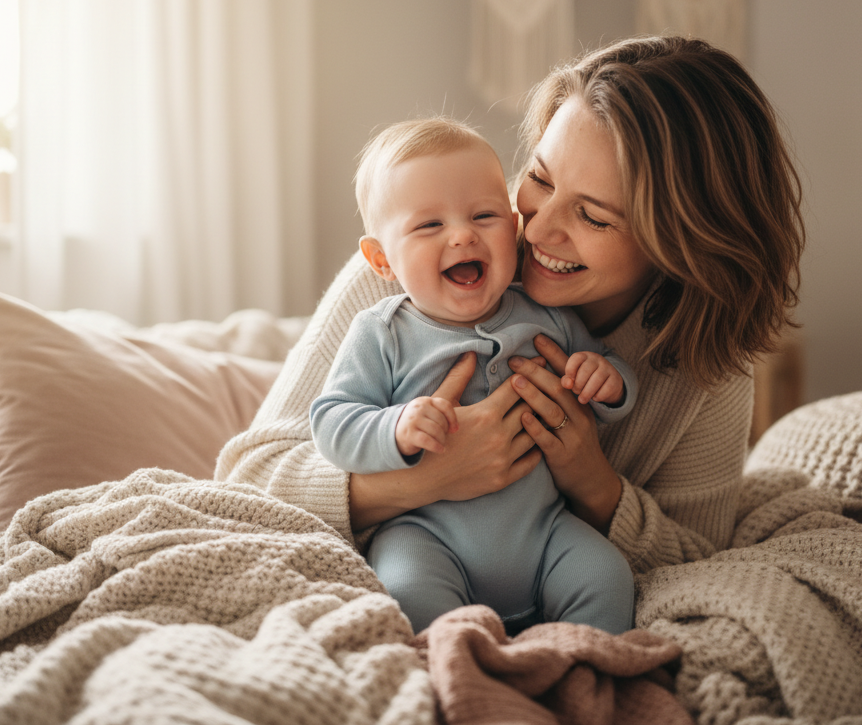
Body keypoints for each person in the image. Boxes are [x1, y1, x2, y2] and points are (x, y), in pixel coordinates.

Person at [216, 35, 803, 602]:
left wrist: (592, 483)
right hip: (423, 552)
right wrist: (428, 479)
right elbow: (246, 482)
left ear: (681, 245)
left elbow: (701, 557)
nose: (538, 229)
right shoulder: (411, 265)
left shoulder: (708, 369)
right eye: (540, 180)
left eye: (593, 217)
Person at [309, 117, 637, 634]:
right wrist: (395, 429)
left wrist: (607, 379)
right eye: (429, 225)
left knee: (608, 578)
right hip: (427, 535)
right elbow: (331, 420)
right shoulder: (382, 332)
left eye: (483, 216)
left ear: (511, 228)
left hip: (545, 533)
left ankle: (584, 669)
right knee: (406, 588)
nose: (462, 234)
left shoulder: (547, 316)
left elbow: (613, 371)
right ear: (380, 259)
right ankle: (465, 667)